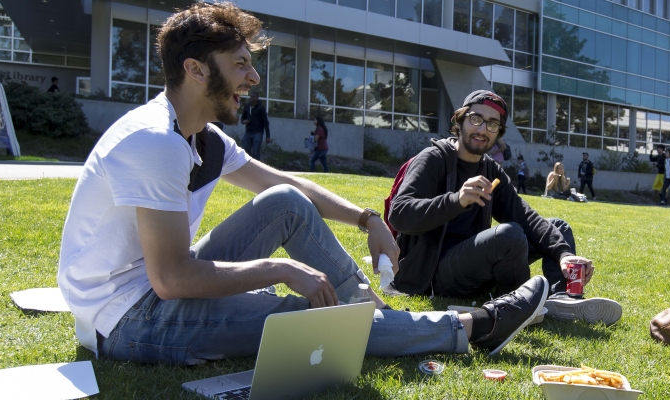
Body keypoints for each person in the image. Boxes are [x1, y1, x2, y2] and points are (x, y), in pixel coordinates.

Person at [55, 3, 548, 365]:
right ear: (195, 69)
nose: (254, 78)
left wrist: (367, 219)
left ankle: (370, 309)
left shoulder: (201, 137)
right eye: (241, 65)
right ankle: (474, 327)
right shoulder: (155, 141)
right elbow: (172, 280)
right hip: (129, 318)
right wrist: (279, 270)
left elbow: (287, 187)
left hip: (155, 289)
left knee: (284, 201)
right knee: (311, 318)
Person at [388, 89, 622, 325]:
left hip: (476, 263)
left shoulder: (489, 169)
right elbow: (399, 215)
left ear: (498, 133)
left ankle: (562, 300)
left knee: (557, 228)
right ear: (459, 120)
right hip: (434, 273)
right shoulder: (433, 159)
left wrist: (564, 254)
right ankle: (518, 305)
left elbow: (524, 216)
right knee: (510, 235)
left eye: (492, 124)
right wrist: (456, 200)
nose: (482, 130)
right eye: (476, 119)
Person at [240, 91, 270, 160]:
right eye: (251, 96)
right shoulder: (247, 106)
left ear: (257, 98)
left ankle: (256, 167)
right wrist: (243, 121)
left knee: (256, 152)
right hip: (248, 132)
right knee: (244, 150)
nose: (252, 98)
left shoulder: (261, 108)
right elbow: (242, 117)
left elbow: (266, 122)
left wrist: (268, 136)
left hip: (258, 132)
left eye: (254, 97)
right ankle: (248, 164)